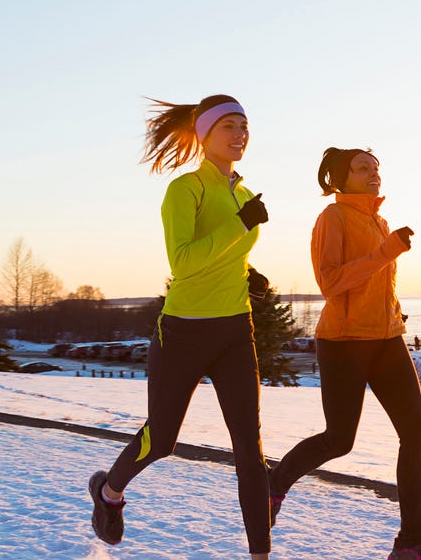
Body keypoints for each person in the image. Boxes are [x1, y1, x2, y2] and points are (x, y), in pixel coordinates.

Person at [88, 94, 274, 559]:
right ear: (205, 134)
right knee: (162, 441)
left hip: (235, 330)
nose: (240, 134)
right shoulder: (184, 189)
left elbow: (227, 253)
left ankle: (261, 555)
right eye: (230, 126)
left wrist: (250, 274)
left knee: (249, 453)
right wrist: (239, 226)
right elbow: (184, 263)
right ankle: (109, 493)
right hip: (184, 333)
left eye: (245, 126)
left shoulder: (245, 194)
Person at [270, 148, 421, 559]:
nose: (374, 174)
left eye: (377, 168)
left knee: (414, 435)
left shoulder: (379, 220)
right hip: (344, 344)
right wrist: (386, 252)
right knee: (340, 440)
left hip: (387, 339)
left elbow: (378, 283)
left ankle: (411, 545)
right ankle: (274, 486)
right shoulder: (332, 218)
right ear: (343, 177)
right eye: (364, 168)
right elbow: (330, 282)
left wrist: (392, 310)